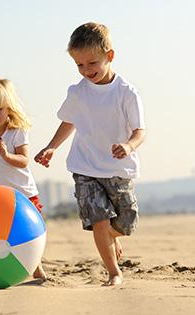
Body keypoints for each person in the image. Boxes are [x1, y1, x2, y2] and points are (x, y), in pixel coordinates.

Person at [34, 22, 146, 286]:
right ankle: (113, 271)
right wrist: (52, 146)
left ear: (110, 55)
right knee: (99, 220)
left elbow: (140, 131)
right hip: (85, 167)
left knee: (127, 221)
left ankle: (112, 236)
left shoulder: (126, 93)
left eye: (92, 63)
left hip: (119, 169)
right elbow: (69, 121)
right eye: (79, 65)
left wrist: (128, 146)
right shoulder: (78, 92)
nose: (86, 71)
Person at [0, 77, 47, 281]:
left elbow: (23, 160)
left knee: (28, 233)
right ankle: (2, 267)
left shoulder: (15, 133)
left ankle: (37, 268)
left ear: (9, 109)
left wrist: (6, 156)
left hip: (24, 193)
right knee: (1, 235)